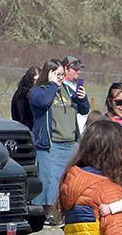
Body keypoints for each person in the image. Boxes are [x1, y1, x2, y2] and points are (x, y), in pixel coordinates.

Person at [31, 59, 91, 225]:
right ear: (48, 74)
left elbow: (84, 110)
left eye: (62, 75)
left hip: (70, 143)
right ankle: (49, 214)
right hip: (51, 143)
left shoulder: (65, 90)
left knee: (67, 180)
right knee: (50, 180)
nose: (60, 78)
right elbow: (44, 102)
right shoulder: (39, 91)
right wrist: (52, 84)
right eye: (57, 74)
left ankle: (64, 212)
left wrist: (82, 98)